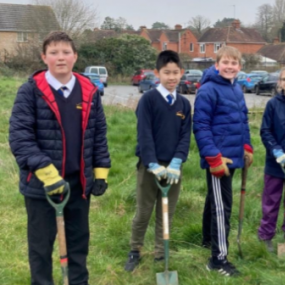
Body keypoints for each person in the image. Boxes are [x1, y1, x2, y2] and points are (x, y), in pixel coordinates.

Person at [9, 31, 111, 285]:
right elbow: (21, 139)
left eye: (66, 52)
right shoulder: (30, 92)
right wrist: (49, 176)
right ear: (44, 57)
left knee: (78, 242)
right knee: (41, 247)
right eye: (54, 53)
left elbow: (98, 135)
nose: (60, 58)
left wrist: (100, 173)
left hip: (78, 185)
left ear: (75, 56)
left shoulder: (89, 91)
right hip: (41, 186)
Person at [124, 50, 191, 272]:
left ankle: (161, 255)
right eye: (166, 73)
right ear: (157, 73)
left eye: (175, 73)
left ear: (181, 73)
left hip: (173, 169)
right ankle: (135, 250)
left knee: (166, 213)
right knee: (144, 211)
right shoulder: (148, 100)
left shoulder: (183, 104)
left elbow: (184, 137)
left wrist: (177, 162)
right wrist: (152, 163)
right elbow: (144, 134)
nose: (171, 77)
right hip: (149, 166)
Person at [193, 46, 253, 276]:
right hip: (219, 160)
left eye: (234, 63)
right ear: (216, 65)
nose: (230, 67)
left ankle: (208, 240)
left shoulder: (236, 89)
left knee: (214, 199)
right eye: (225, 62)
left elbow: (243, 120)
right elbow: (200, 126)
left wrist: (246, 146)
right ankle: (218, 260)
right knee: (221, 207)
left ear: (239, 67)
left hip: (233, 155)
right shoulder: (208, 90)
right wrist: (213, 158)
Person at [258, 67, 285, 252]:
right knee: (271, 201)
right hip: (276, 164)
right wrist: (277, 151)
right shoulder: (273, 105)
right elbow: (265, 131)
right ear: (280, 82)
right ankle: (266, 237)